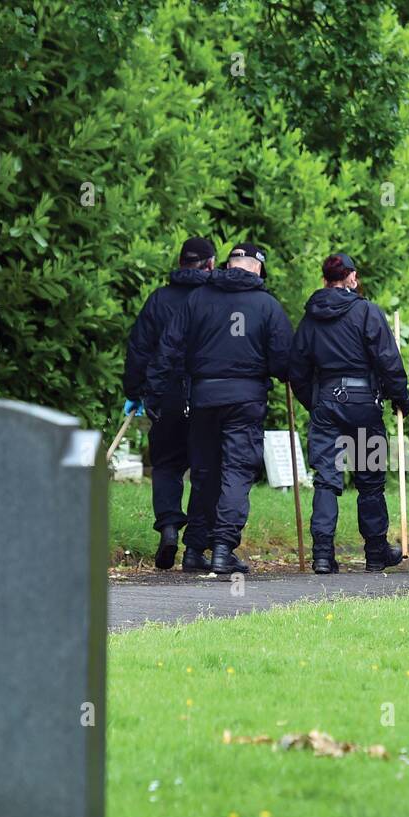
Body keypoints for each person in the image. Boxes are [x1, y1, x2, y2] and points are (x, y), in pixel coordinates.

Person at [146, 241, 293, 575]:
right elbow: (285, 361)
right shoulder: (267, 306)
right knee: (237, 471)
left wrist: (154, 393)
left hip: (203, 398)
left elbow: (169, 346)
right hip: (245, 399)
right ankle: (223, 548)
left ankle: (196, 548)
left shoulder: (198, 299)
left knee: (205, 472)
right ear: (257, 268)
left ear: (228, 265)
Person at [289, 254, 409, 574]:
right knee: (369, 481)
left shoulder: (311, 317)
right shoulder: (366, 311)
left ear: (325, 279)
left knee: (326, 481)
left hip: (327, 401)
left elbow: (297, 368)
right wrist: (401, 398)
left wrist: (314, 402)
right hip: (363, 405)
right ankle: (374, 552)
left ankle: (323, 555)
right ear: (352, 278)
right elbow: (388, 360)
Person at [122, 237, 216, 571]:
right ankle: (198, 545)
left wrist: (135, 391)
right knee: (205, 469)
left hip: (165, 394)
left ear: (180, 264)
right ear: (209, 265)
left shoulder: (158, 300)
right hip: (206, 394)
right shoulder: (215, 300)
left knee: (166, 465)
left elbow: (139, 348)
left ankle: (169, 527)